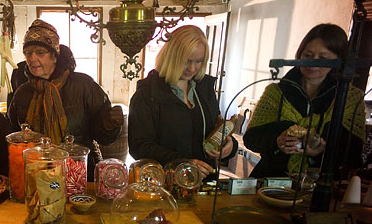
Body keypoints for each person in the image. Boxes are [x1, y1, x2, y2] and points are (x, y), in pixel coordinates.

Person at [243, 23, 365, 178]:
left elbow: (352, 156)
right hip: (272, 181)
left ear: (338, 61)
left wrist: (319, 152)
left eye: (323, 58)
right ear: (299, 55)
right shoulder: (276, 93)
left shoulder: (349, 99)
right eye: (308, 55)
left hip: (323, 184)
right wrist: (276, 140)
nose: (313, 62)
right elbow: (251, 139)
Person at [7, 19, 124, 179]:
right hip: (37, 175)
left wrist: (109, 124)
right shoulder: (22, 93)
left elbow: (103, 138)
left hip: (78, 173)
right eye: (28, 53)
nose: (32, 58)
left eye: (40, 52)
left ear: (54, 56)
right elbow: (14, 135)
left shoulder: (83, 85)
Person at [128, 25, 237, 178]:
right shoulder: (147, 94)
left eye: (198, 61)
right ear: (171, 56)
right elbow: (139, 146)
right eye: (186, 61)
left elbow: (215, 128)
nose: (192, 69)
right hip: (164, 184)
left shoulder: (204, 90)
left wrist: (229, 146)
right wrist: (182, 164)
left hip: (205, 183)